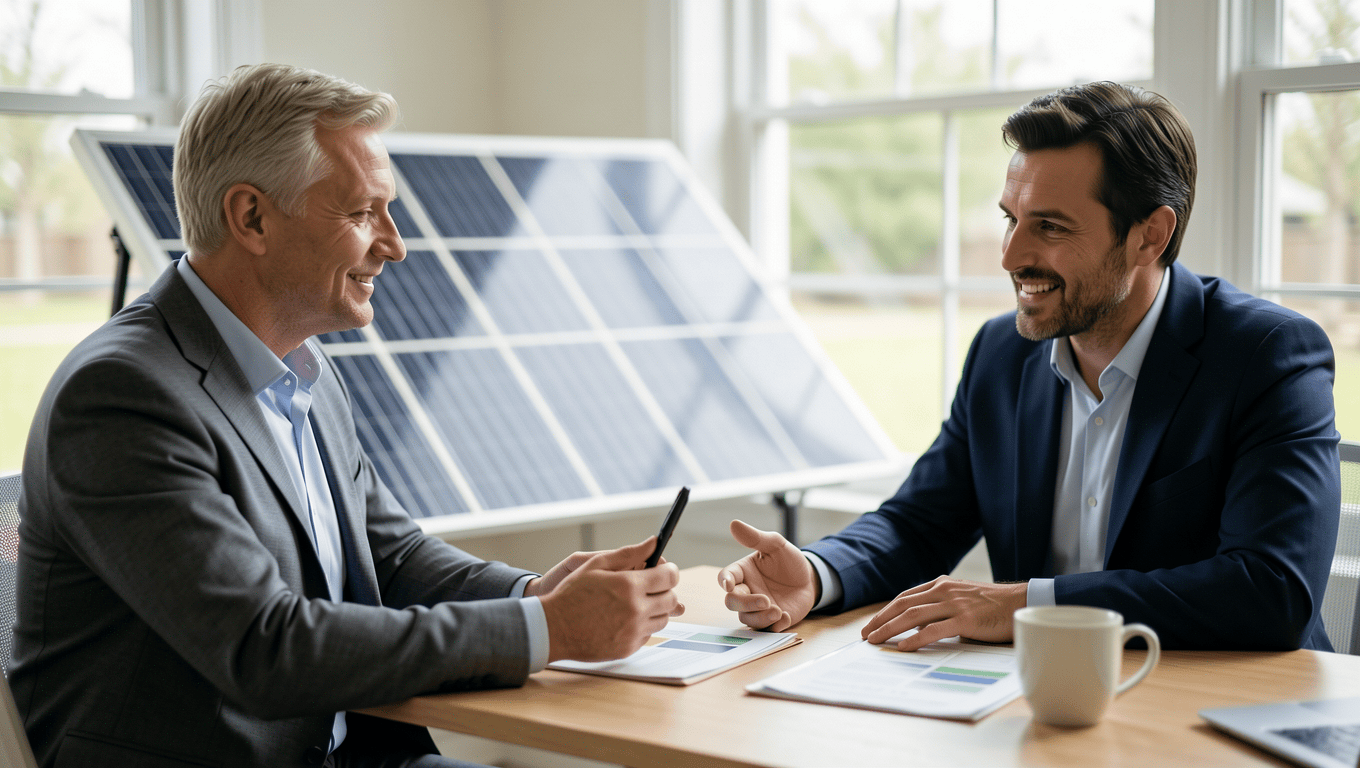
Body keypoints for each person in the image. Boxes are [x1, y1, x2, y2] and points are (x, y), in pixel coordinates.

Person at [11, 63, 682, 768]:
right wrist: (547, 628)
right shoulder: (122, 396)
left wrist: (535, 592)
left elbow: (390, 557)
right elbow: (265, 649)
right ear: (252, 218)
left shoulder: (301, 367)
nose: (394, 244)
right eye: (363, 213)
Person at [719, 81, 1341, 653]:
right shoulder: (1001, 354)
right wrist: (817, 573)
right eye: (1011, 219)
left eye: (1049, 226)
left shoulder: (1267, 354)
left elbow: (1270, 590)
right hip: (1041, 704)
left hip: (1226, 713)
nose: (1012, 255)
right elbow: (920, 523)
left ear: (1150, 235)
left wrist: (1026, 605)